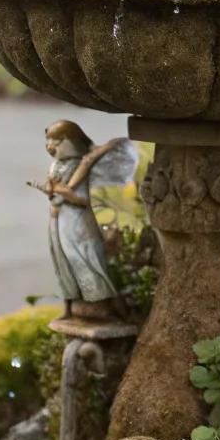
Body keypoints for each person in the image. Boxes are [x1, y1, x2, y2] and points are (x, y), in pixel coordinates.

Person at [27, 120, 138, 320]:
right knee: (62, 263)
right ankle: (69, 308)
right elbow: (54, 192)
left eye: (58, 141)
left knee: (90, 262)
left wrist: (62, 192)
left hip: (77, 222)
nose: (52, 146)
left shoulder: (82, 164)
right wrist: (52, 192)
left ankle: (115, 312)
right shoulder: (56, 166)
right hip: (58, 221)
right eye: (49, 141)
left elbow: (82, 201)